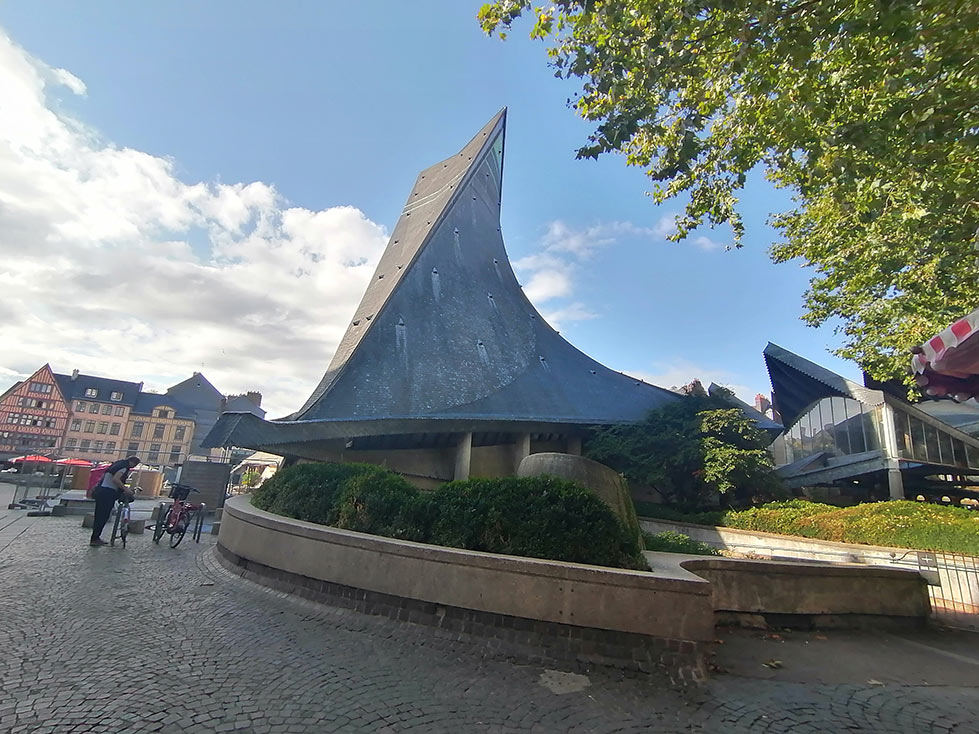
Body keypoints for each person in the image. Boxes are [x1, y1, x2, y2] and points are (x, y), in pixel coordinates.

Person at [89, 455, 139, 547]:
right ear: (133, 463)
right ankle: (95, 539)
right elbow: (116, 479)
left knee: (99, 515)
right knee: (103, 516)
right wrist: (125, 489)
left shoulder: (116, 464)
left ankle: (95, 537)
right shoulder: (124, 467)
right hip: (108, 492)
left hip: (101, 490)